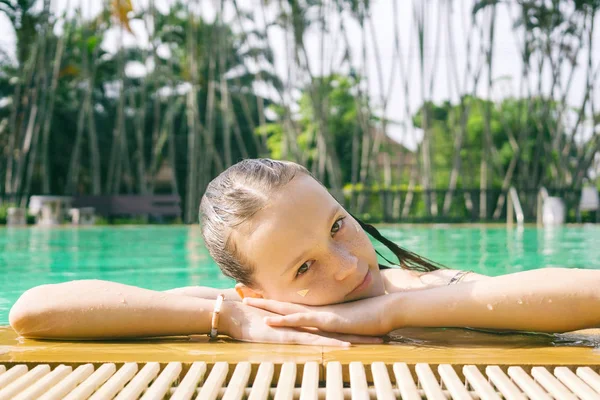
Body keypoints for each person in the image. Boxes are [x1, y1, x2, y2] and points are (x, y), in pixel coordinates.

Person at [8, 159, 600, 346]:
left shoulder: (419, 289)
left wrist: (390, 313)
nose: (348, 264)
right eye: (304, 268)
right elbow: (35, 310)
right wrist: (229, 318)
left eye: (338, 226)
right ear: (257, 293)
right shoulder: (252, 312)